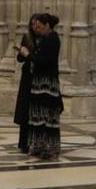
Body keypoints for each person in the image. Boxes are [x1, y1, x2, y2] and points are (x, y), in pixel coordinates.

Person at [17, 12, 63, 160]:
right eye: (34, 26)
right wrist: (24, 54)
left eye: (39, 26)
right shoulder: (42, 38)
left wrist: (28, 55)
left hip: (47, 84)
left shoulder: (52, 39)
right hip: (38, 83)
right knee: (38, 116)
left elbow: (44, 61)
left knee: (48, 117)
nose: (36, 29)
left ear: (47, 25)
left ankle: (49, 148)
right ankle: (37, 146)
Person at [12, 16, 35, 152]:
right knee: (25, 110)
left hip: (37, 77)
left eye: (37, 24)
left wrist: (29, 55)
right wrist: (21, 52)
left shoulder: (43, 39)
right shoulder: (27, 37)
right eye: (32, 24)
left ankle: (34, 141)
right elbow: (20, 59)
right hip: (27, 77)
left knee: (35, 110)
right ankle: (23, 143)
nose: (34, 27)